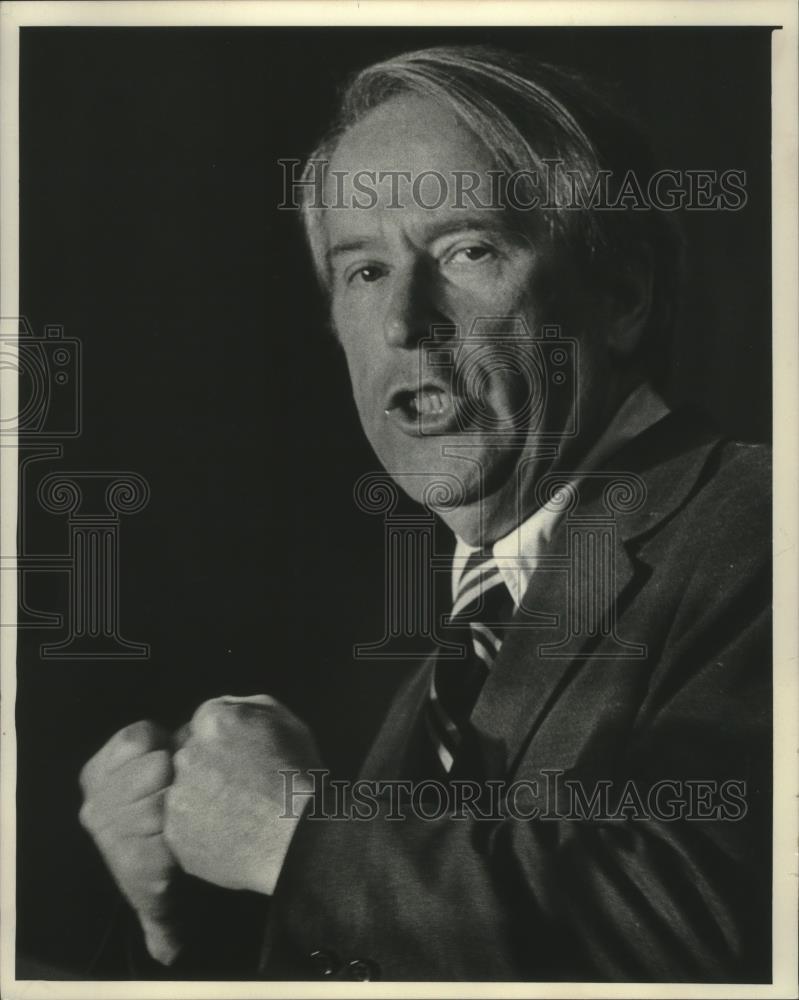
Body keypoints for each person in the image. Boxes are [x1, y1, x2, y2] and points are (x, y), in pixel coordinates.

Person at [78, 46, 771, 982]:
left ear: (621, 294)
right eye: (362, 272)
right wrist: (195, 916)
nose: (405, 321)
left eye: (466, 250)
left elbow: (702, 947)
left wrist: (293, 836)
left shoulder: (763, 532)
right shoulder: (460, 652)